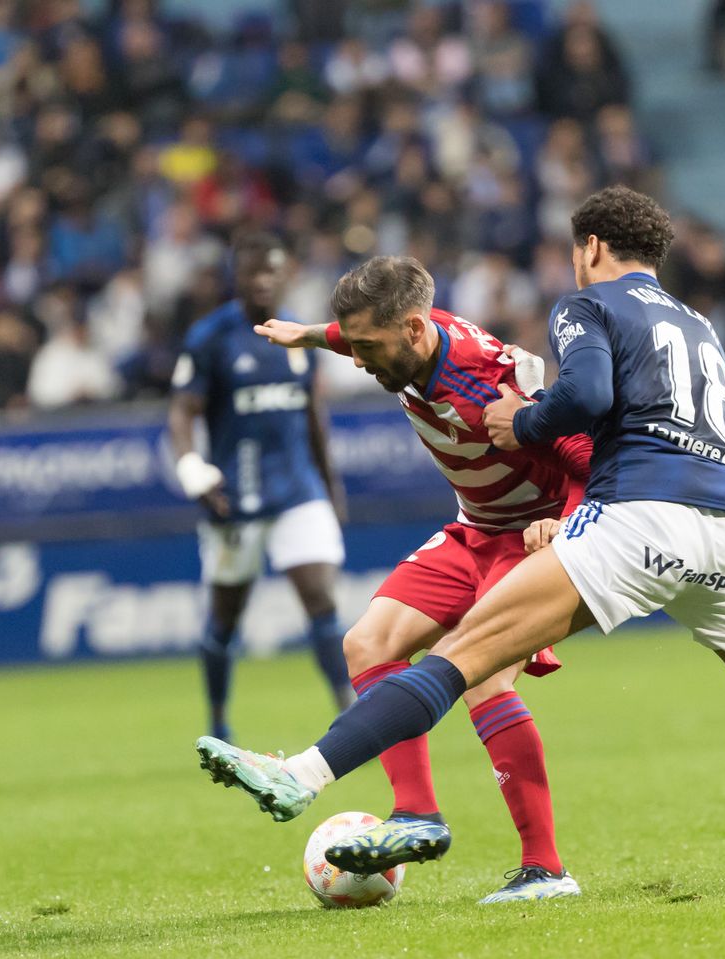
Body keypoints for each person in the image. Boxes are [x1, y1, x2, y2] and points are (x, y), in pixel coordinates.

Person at [196, 186, 725, 879]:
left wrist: (526, 421)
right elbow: (394, 338)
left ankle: (303, 775)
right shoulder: (695, 321)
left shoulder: (586, 305)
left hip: (641, 514)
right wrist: (314, 335)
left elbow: (580, 397)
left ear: (590, 247)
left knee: (461, 659)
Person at [251, 257, 589, 903]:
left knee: (481, 675)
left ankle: (546, 870)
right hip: (475, 528)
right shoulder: (403, 340)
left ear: (412, 329)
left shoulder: (487, 385)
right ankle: (416, 815)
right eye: (351, 344)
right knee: (367, 644)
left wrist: (566, 526)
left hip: (531, 536)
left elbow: (586, 455)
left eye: (367, 348)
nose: (356, 360)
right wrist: (310, 334)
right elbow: (358, 334)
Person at [168, 232, 352, 742]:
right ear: (238, 277)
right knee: (226, 618)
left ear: (286, 273)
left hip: (298, 488)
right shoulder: (211, 337)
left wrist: (330, 483)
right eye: (254, 271)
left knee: (320, 596)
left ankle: (350, 710)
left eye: (273, 269)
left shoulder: (298, 335)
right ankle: (219, 722)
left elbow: (313, 413)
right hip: (237, 497)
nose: (264, 279)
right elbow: (182, 411)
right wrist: (190, 467)